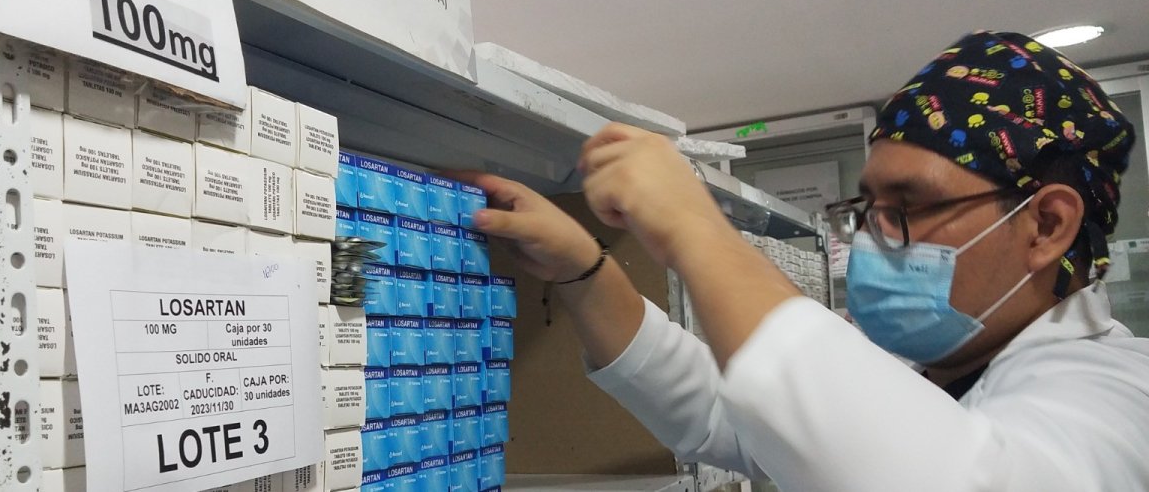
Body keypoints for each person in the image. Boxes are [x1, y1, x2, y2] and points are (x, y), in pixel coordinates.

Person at [457, 31, 1149, 491]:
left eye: (909, 205)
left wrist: (696, 228)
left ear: (1047, 224)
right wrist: (584, 270)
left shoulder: (1115, 399)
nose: (874, 238)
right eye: (870, 206)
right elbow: (726, 409)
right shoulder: (939, 371)